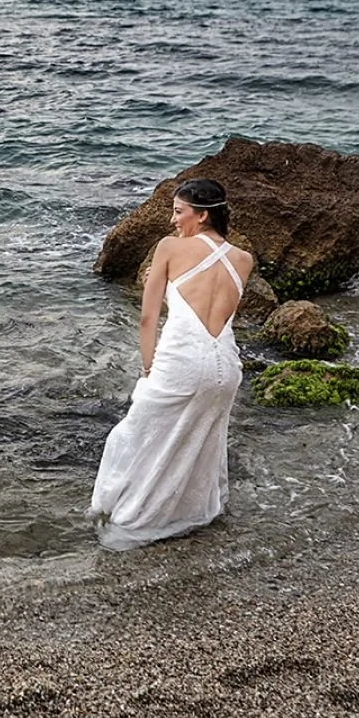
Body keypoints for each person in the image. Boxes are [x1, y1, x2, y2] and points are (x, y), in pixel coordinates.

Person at [87, 178, 255, 550]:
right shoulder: (244, 259)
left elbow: (148, 318)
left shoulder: (168, 249)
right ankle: (189, 514)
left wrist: (148, 367)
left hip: (182, 360)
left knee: (137, 436)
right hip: (226, 365)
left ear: (203, 215)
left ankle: (131, 522)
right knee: (198, 441)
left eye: (179, 212)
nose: (173, 220)